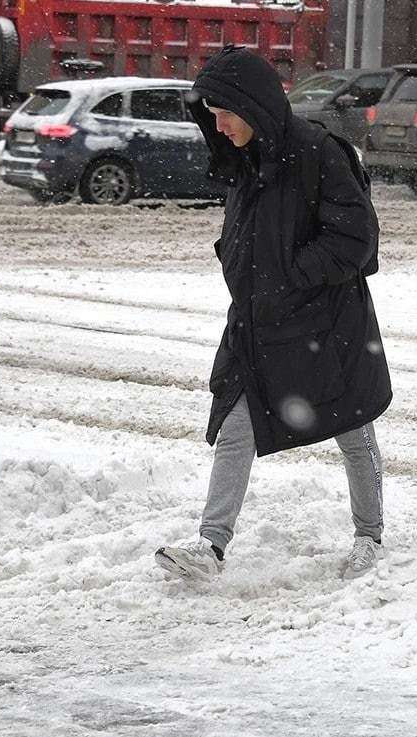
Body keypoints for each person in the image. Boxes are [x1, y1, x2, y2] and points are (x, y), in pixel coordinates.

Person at [155, 45, 392, 581]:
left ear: (254, 105)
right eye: (210, 115)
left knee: (353, 427)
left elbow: (356, 240)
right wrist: (242, 269)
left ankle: (369, 536)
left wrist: (287, 275)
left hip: (325, 325)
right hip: (259, 324)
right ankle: (210, 548)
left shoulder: (319, 153)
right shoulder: (244, 159)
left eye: (225, 113)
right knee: (236, 424)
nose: (217, 126)